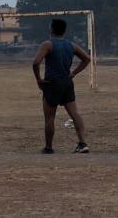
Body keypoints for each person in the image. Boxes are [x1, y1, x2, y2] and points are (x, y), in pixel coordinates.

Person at [32, 19, 91, 154]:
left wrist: (38, 80)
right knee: (75, 114)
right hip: (67, 83)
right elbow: (87, 59)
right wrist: (73, 73)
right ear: (64, 30)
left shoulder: (47, 44)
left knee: (50, 117)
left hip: (51, 84)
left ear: (51, 29)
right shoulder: (71, 45)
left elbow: (36, 63)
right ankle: (83, 143)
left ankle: (48, 147)